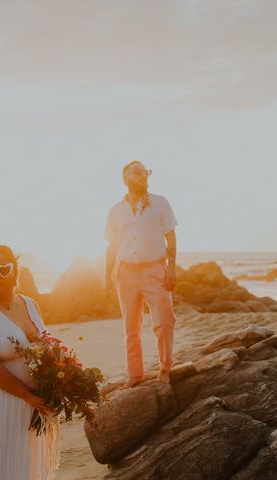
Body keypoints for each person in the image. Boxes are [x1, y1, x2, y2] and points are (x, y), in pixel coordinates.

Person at [0, 244, 60, 480]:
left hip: (29, 403)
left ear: (15, 272)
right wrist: (26, 394)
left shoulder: (29, 304)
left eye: (3, 269)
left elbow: (44, 344)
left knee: (22, 465)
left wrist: (58, 375)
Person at [104, 160, 178, 387]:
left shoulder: (160, 203)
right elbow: (112, 246)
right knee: (131, 326)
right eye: (137, 172)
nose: (143, 176)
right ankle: (135, 375)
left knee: (164, 321)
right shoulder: (115, 211)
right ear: (126, 177)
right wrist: (107, 276)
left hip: (155, 269)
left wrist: (171, 267)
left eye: (146, 172)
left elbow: (171, 237)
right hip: (125, 273)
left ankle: (165, 368)